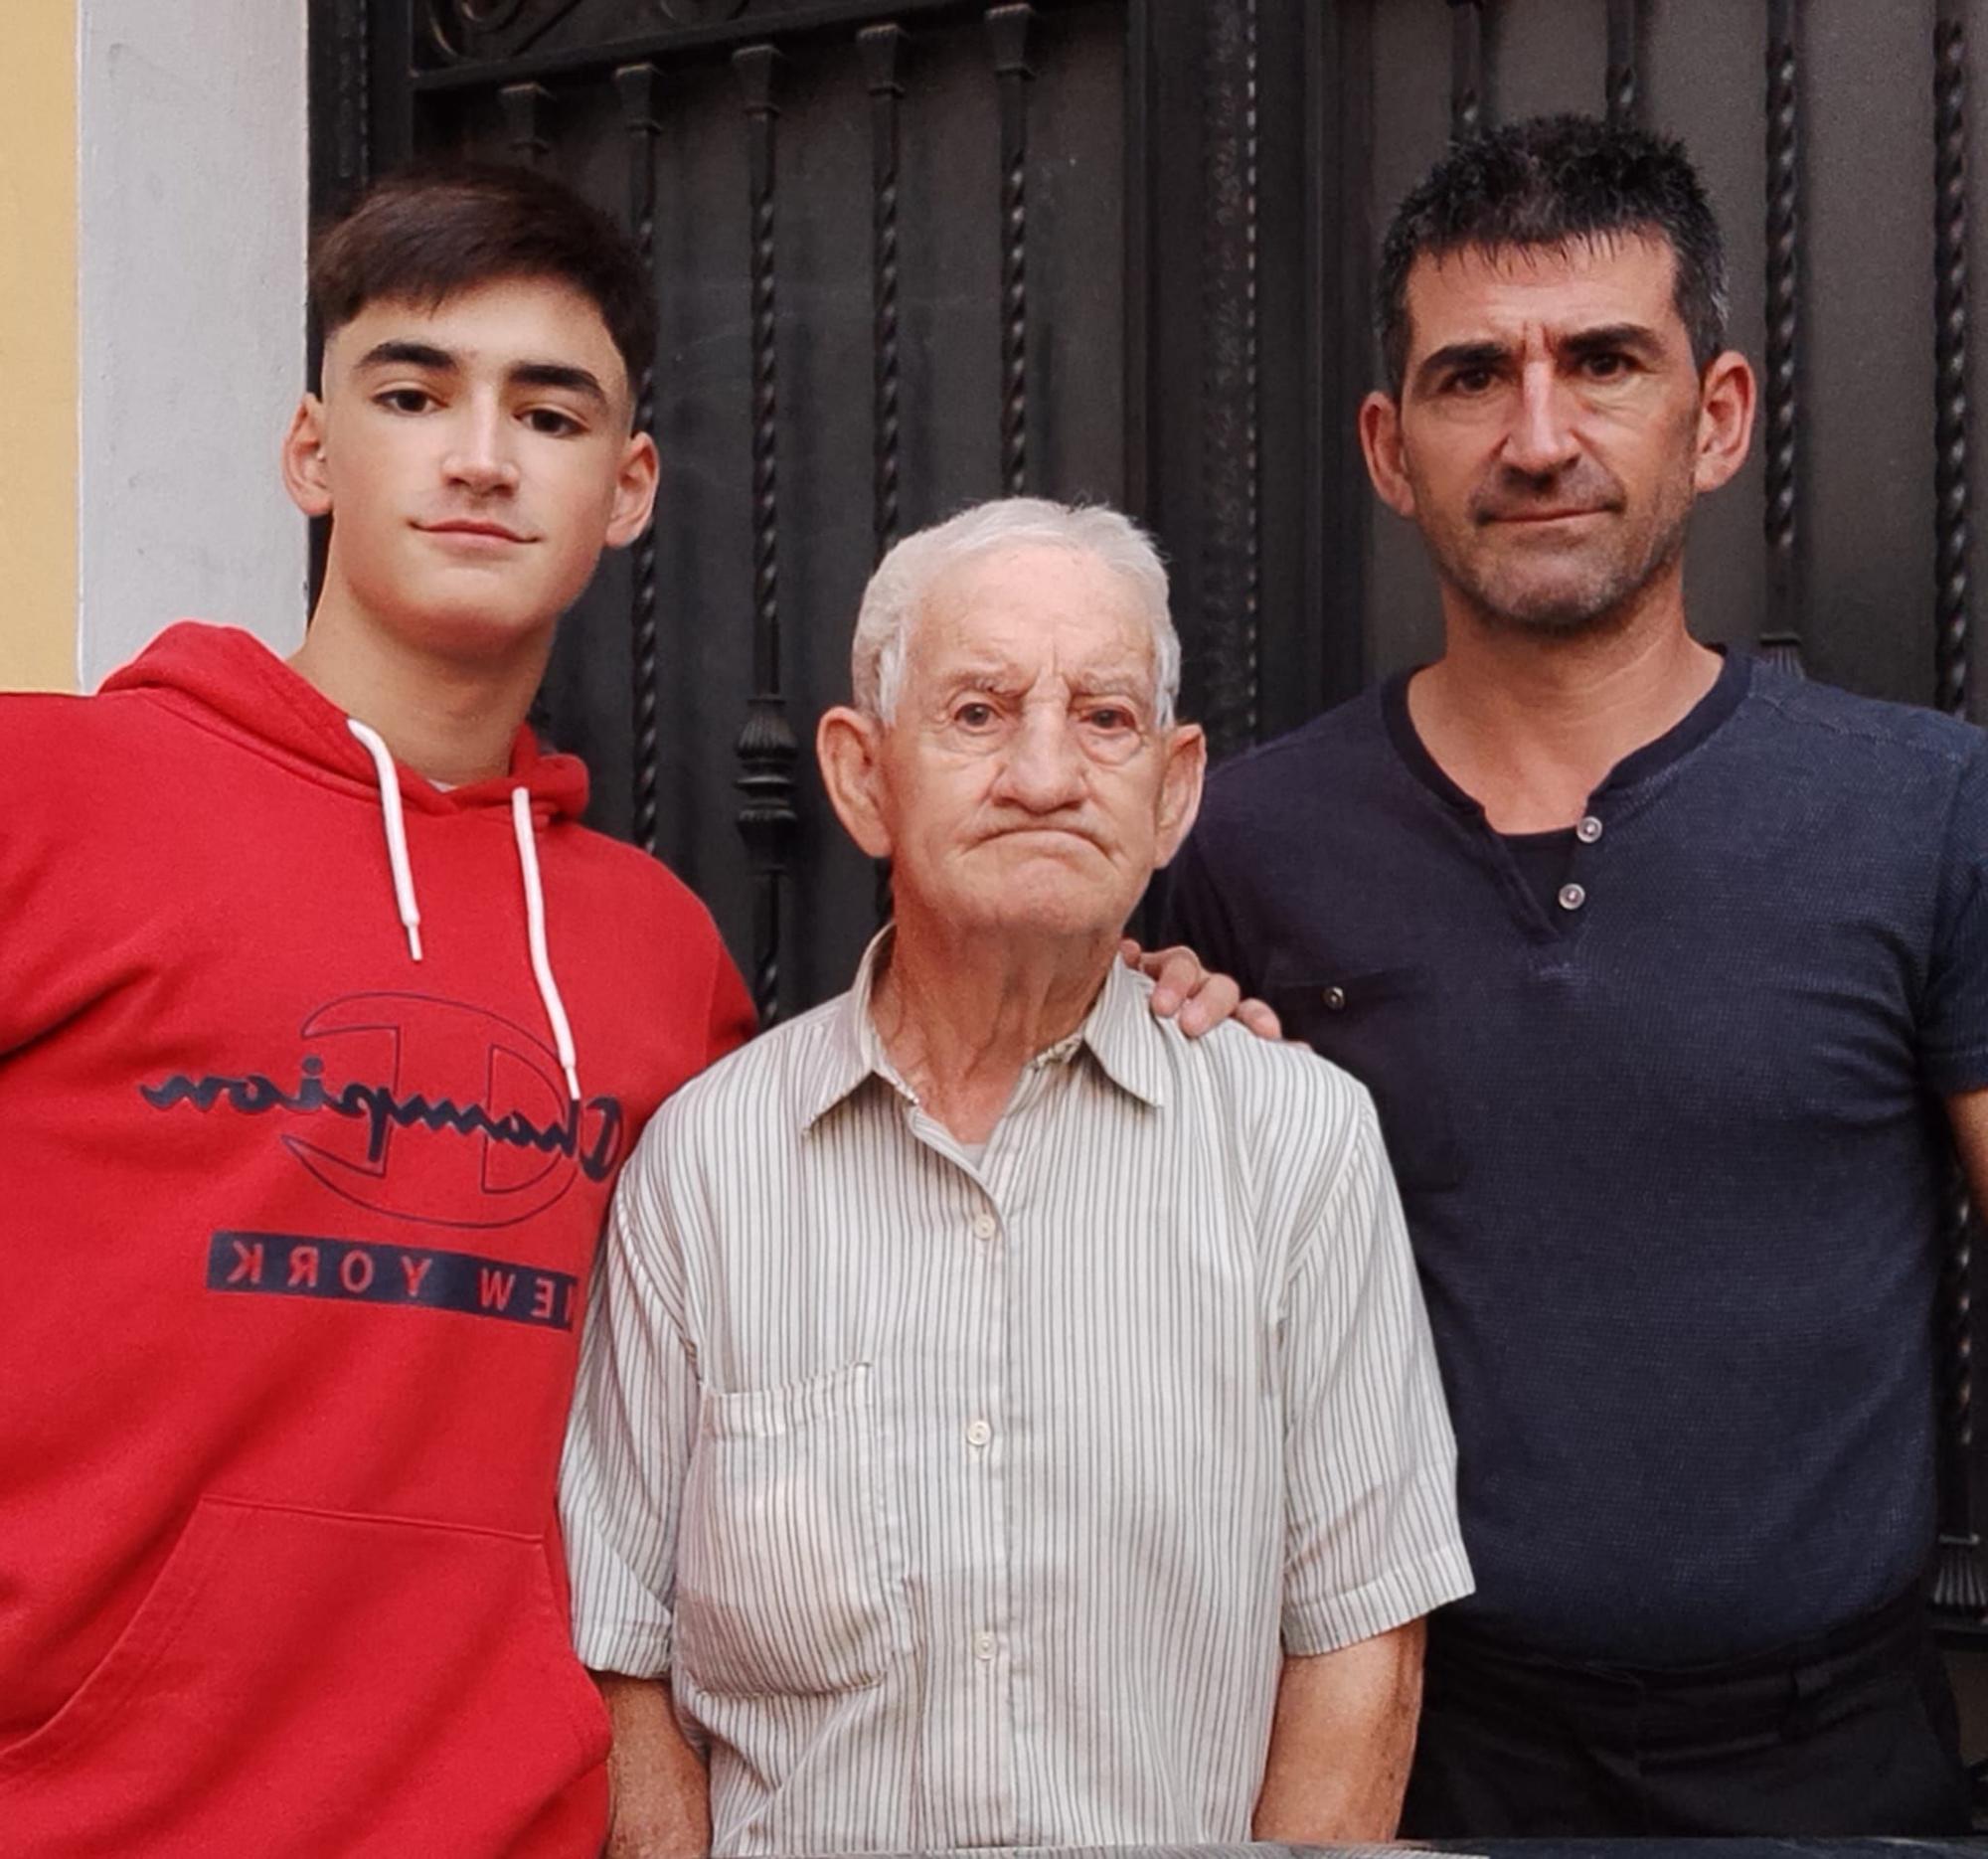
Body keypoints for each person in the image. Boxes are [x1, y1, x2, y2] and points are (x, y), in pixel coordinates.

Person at [1165, 112, 1988, 1835]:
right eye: (1475, 378)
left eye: (1604, 361)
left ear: (1719, 414)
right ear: (1391, 447)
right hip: (1413, 1759)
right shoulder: (1239, 844)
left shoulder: (1923, 810)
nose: (1540, 437)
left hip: (1832, 1770)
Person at [0, 163, 756, 1856]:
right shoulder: (44, 793)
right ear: (311, 451)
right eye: (414, 392)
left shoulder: (660, 954)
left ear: (627, 489)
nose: (480, 454)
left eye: (550, 414)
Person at [558, 496, 1474, 1857]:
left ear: (1172, 792)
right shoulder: (707, 1164)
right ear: (863, 775)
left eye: (1104, 719)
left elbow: (1360, 1652)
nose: (1047, 772)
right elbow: (631, 1668)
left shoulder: (1297, 1146)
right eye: (980, 712)